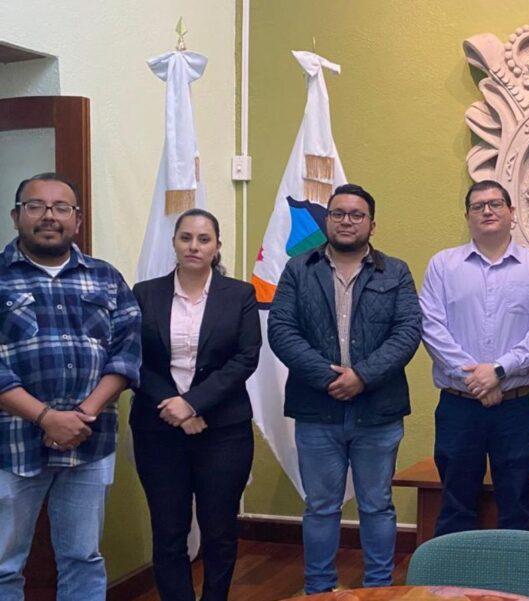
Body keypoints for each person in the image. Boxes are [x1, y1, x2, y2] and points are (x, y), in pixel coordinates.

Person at [268, 184, 421, 592]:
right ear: (327, 220)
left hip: (379, 410)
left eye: (356, 214)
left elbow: (408, 332)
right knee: (320, 507)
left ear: (372, 224)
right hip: (317, 409)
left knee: (377, 506)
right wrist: (328, 377)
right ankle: (319, 590)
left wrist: (362, 376)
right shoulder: (299, 269)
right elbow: (281, 330)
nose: (347, 221)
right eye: (338, 213)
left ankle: (378, 590)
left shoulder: (396, 271)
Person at [0, 173, 141, 601]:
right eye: (36, 206)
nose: (49, 216)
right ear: (16, 216)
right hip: (12, 445)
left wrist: (84, 414)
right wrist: (46, 418)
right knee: (4, 564)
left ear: (77, 220)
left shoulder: (105, 277)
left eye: (61, 207)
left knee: (83, 557)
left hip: (89, 441)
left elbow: (128, 351)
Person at [131, 208, 261, 601]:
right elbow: (133, 357)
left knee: (219, 530)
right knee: (169, 530)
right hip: (158, 429)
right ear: (174, 242)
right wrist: (174, 407)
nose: (194, 246)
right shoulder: (145, 293)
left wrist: (192, 404)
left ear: (217, 246)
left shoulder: (239, 295)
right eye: (186, 237)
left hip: (224, 431)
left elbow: (245, 358)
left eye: (204, 239)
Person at [420, 180, 529, 536]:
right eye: (478, 205)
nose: (487, 210)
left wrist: (498, 371)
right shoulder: (443, 265)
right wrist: (477, 380)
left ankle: (515, 573)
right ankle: (451, 575)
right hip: (458, 406)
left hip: (516, 408)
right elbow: (432, 328)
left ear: (512, 213)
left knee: (519, 506)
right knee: (455, 505)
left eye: (496, 204)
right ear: (467, 216)